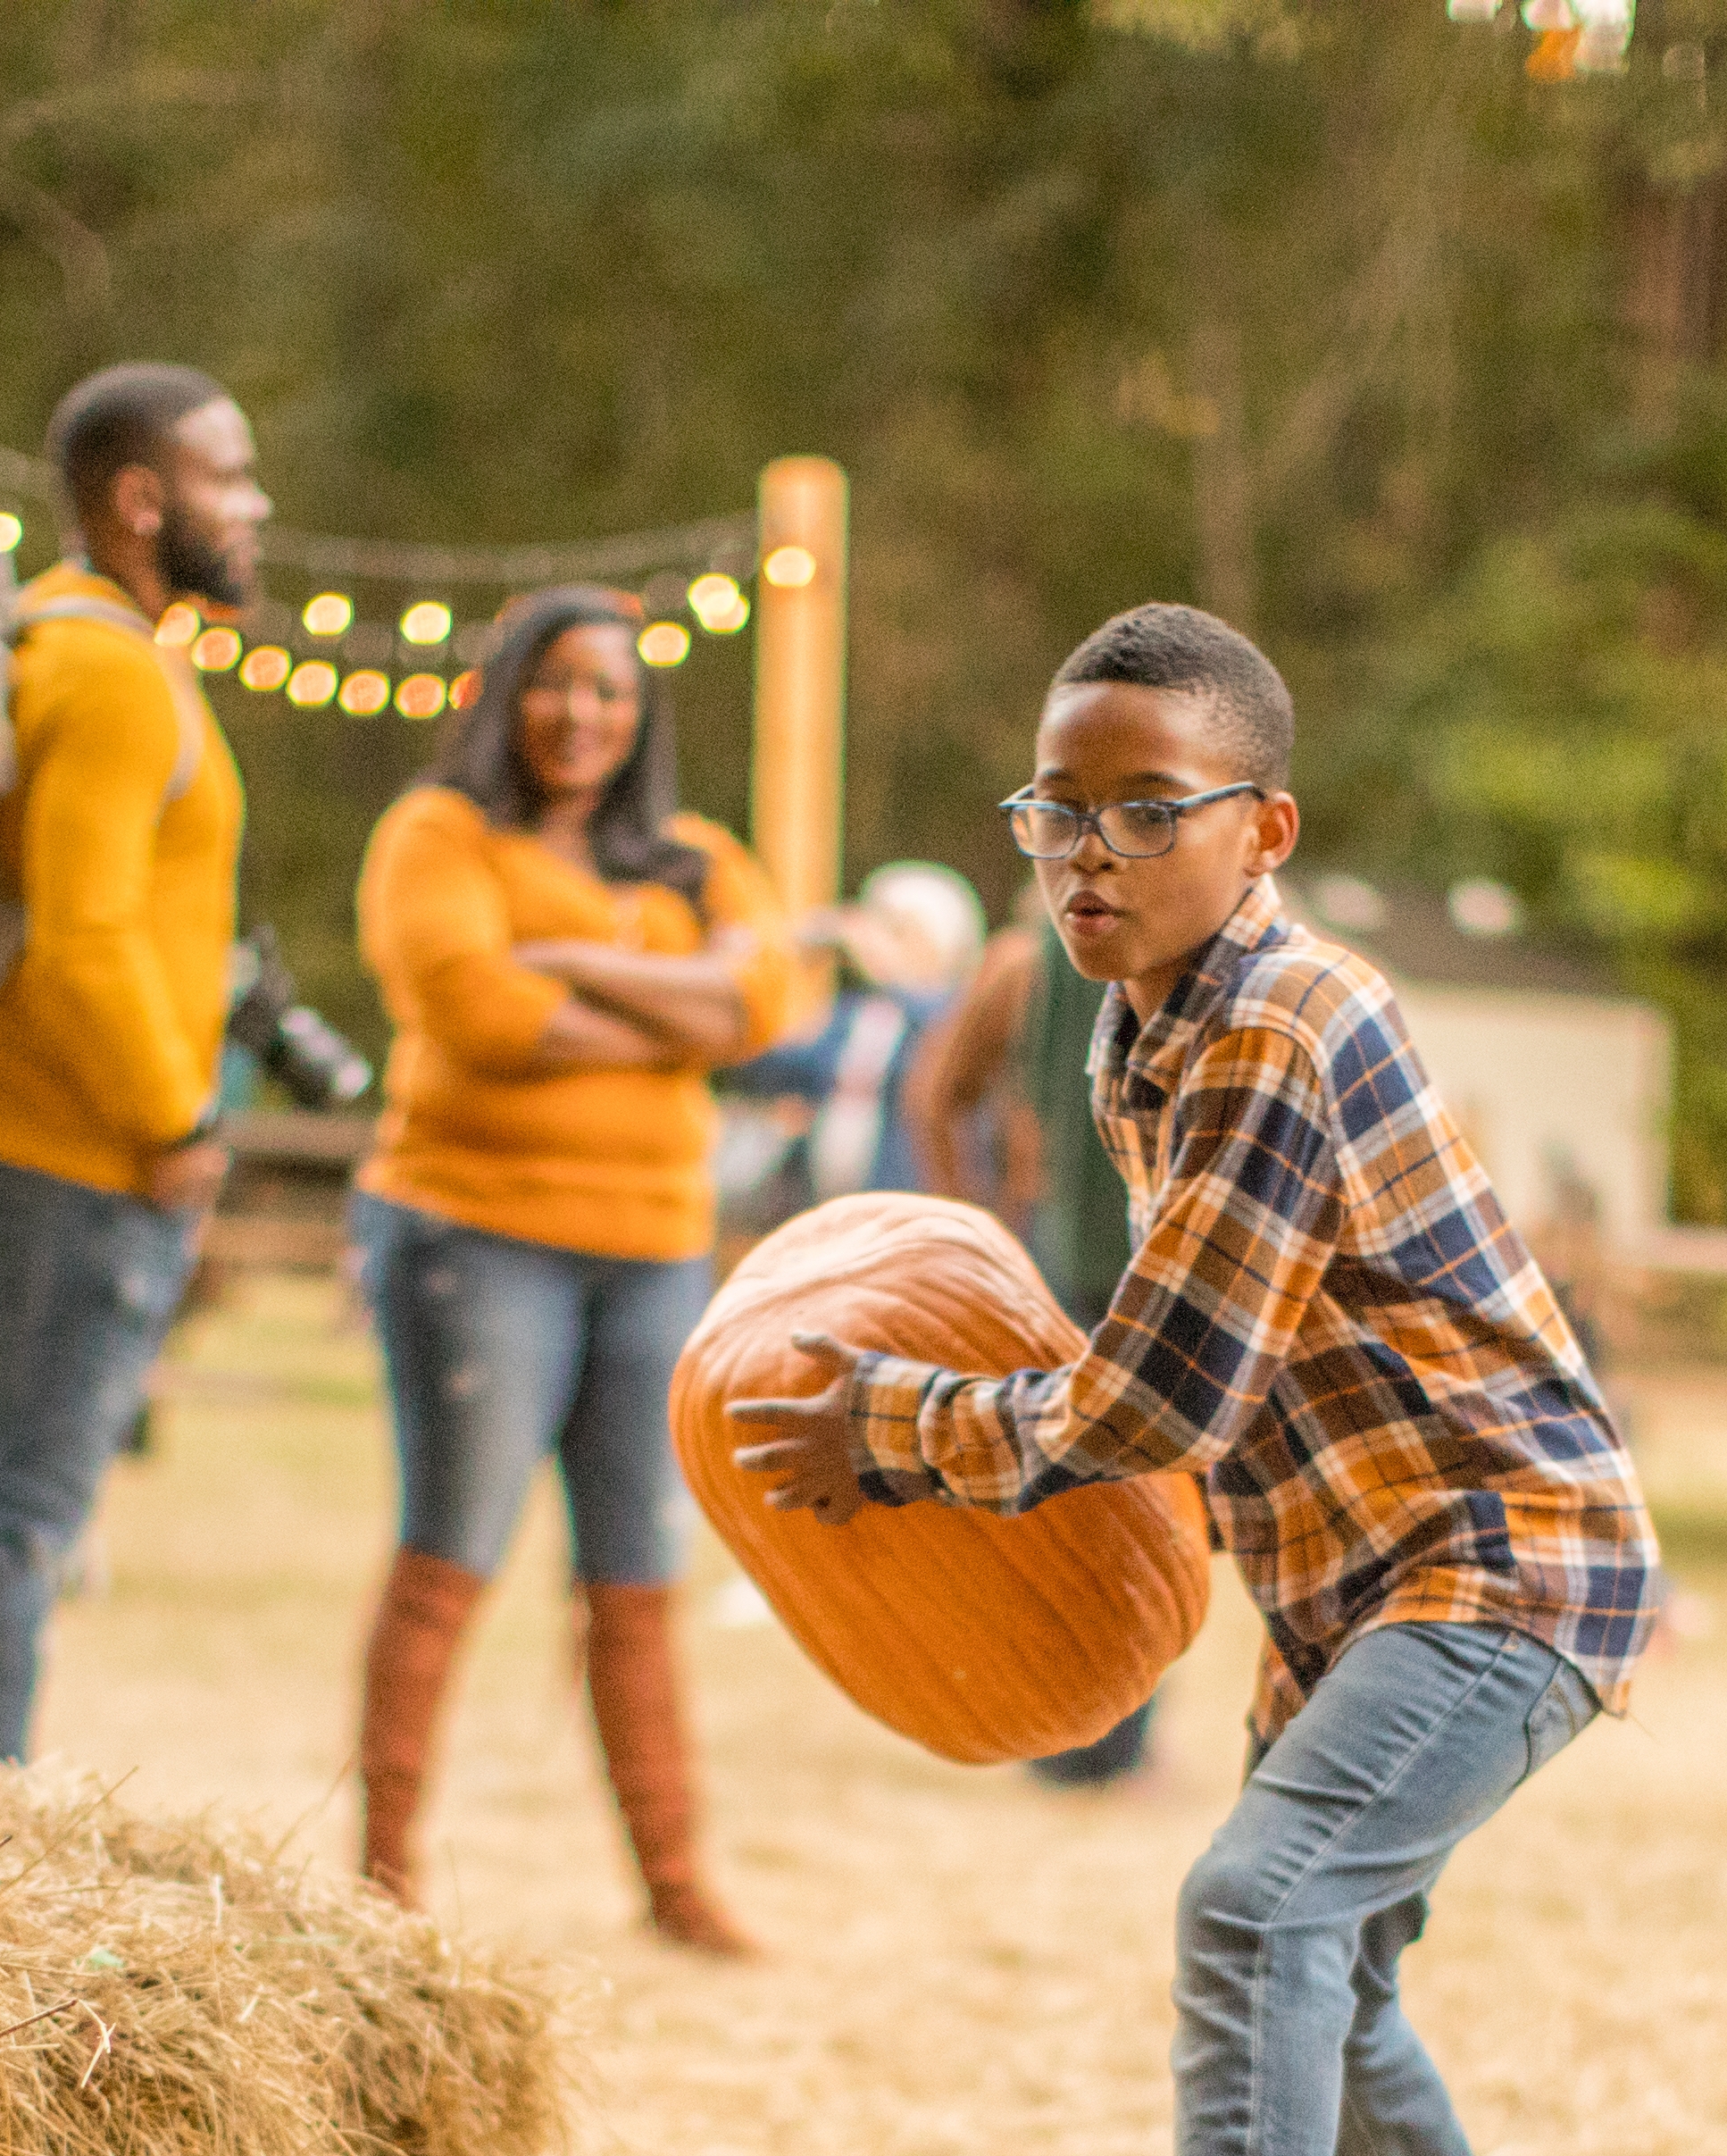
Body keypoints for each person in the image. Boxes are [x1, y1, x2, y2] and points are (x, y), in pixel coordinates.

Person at [725, 603, 1658, 2156]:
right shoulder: (1144, 1023)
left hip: (1502, 1556)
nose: (1087, 852)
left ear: (1267, 826)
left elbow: (1158, 1394)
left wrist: (895, 1424)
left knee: (1259, 1906)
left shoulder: (1273, 1033)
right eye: (1054, 811)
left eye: (1147, 810)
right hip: (1359, 1573)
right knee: (1334, 1954)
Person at [341, 582, 812, 1951]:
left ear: (641, 711)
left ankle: (674, 1883)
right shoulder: (438, 834)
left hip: (654, 1255)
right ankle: (384, 1877)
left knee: (636, 1572)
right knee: (453, 1552)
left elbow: (767, 1005)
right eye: (554, 683)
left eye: (609, 690)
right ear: (505, 693)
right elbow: (475, 1013)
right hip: (474, 1235)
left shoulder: (696, 855)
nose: (580, 714)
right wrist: (677, 1012)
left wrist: (564, 966)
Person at [0, 360, 268, 1758]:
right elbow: (83, 937)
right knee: (26, 1512)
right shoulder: (111, 676)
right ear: (139, 500)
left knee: (9, 1500)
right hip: (68, 1149)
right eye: (227, 476)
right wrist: (175, 1117)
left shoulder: (76, 650)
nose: (254, 506)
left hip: (32, 1127)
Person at [909, 869, 1167, 1792]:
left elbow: (938, 1096)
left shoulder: (1183, 963)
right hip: (1065, 1260)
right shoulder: (1026, 967)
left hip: (1137, 1262)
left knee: (1123, 1504)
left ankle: (1114, 1735)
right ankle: (1072, 1733)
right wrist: (975, 1225)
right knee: (1100, 1504)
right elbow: (941, 1093)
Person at [715, 857, 986, 1217]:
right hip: (831, 1211)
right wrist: (776, 961)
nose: (876, 940)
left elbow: (936, 1052)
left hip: (913, 1211)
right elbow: (766, 1069)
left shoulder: (956, 1014)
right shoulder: (857, 1015)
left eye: (899, 930)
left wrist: (885, 972)